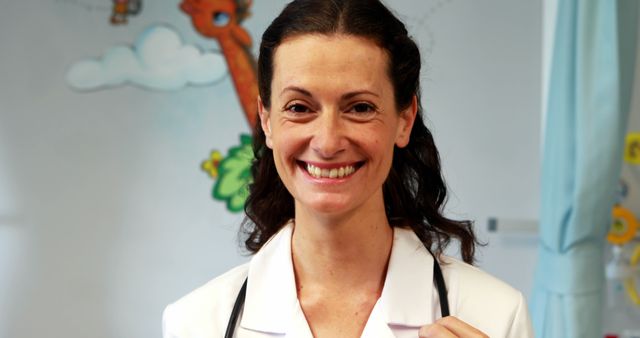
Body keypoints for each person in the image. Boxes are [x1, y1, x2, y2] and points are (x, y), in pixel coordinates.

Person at [162, 0, 534, 337]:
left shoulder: (495, 315)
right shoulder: (194, 322)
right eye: (298, 108)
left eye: (359, 108)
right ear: (267, 120)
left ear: (405, 119)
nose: (327, 142)